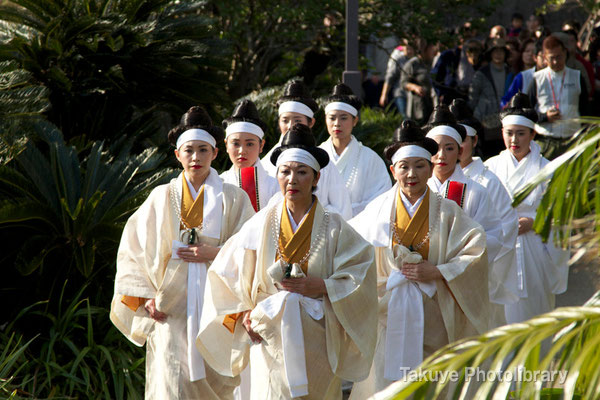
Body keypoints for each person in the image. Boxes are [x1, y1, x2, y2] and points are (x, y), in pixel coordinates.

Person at [197, 123, 378, 399]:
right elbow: (225, 272)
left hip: (317, 334)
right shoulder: (260, 223)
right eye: (285, 172)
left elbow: (361, 272)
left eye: (302, 172)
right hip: (268, 334)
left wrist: (323, 286)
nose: (292, 179)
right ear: (278, 176)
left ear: (316, 178)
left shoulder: (334, 227)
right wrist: (244, 313)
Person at [110, 106, 255, 399]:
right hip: (170, 307)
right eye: (189, 150)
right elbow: (133, 248)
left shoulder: (234, 198)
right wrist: (146, 296)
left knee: (215, 383)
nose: (196, 157)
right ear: (177, 154)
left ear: (216, 153)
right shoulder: (160, 197)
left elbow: (252, 249)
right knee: (170, 382)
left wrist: (212, 253)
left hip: (216, 307)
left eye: (203, 150)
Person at [348, 120, 489, 397]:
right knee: (386, 384)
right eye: (404, 166)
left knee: (432, 384)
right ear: (393, 170)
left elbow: (476, 251)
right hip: (387, 312)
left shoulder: (448, 212)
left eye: (420, 166)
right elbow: (350, 253)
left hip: (434, 312)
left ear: (431, 167)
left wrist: (438, 271)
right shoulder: (376, 210)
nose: (412, 174)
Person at [484, 93, 569, 324]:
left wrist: (536, 222)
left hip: (536, 248)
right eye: (509, 133)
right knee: (500, 317)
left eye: (521, 133)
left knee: (536, 313)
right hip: (501, 248)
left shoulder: (548, 169)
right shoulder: (490, 168)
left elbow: (561, 214)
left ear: (532, 134)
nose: (514, 140)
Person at [451, 98, 520, 323]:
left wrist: (471, 255)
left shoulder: (488, 181)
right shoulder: (432, 181)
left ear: (475, 140)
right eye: (452, 141)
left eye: (464, 140)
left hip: (479, 271)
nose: (458, 147)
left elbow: (506, 227)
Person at [262, 80, 352, 219]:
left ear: (311, 122)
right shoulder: (266, 164)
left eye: (297, 120)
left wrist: (310, 215)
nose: (290, 126)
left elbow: (342, 209)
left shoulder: (325, 166)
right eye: (285, 120)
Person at [319, 83, 391, 216]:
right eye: (332, 118)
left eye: (344, 118)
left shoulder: (370, 158)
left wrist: (348, 213)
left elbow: (382, 198)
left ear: (355, 121)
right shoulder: (317, 156)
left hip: (361, 229)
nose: (337, 123)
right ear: (325, 120)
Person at [527, 35, 588, 159]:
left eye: (558, 57)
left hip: (572, 139)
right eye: (551, 58)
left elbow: (585, 109)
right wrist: (544, 117)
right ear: (544, 57)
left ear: (565, 53)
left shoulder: (577, 76)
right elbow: (527, 112)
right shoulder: (537, 79)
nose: (555, 62)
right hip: (546, 141)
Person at [221, 100, 279, 211]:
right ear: (226, 145)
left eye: (249, 144)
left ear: (261, 145)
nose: (242, 151)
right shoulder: (219, 183)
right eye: (236, 144)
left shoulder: (275, 187)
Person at [469, 38, 513, 156]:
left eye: (501, 51)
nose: (498, 54)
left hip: (506, 122)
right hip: (485, 123)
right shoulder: (481, 74)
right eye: (495, 51)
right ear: (490, 54)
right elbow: (472, 99)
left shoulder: (511, 73)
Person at [432, 39, 484, 105]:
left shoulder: (482, 60)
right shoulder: (449, 56)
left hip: (472, 98)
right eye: (471, 49)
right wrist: (441, 93)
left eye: (476, 50)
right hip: (451, 98)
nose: (473, 53)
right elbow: (433, 76)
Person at [401, 38, 437, 125]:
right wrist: (415, 87)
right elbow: (403, 83)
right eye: (431, 49)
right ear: (424, 50)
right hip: (418, 106)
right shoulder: (412, 64)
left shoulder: (434, 62)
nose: (433, 51)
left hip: (432, 103)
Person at [501, 39, 543, 108]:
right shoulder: (520, 76)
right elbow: (507, 100)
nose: (530, 54)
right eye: (527, 51)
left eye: (533, 52)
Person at [379, 40, 414, 114]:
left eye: (411, 48)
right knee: (405, 116)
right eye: (407, 48)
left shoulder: (417, 60)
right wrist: (384, 95)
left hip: (414, 95)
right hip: (400, 93)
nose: (409, 51)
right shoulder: (398, 59)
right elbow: (390, 77)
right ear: (403, 47)